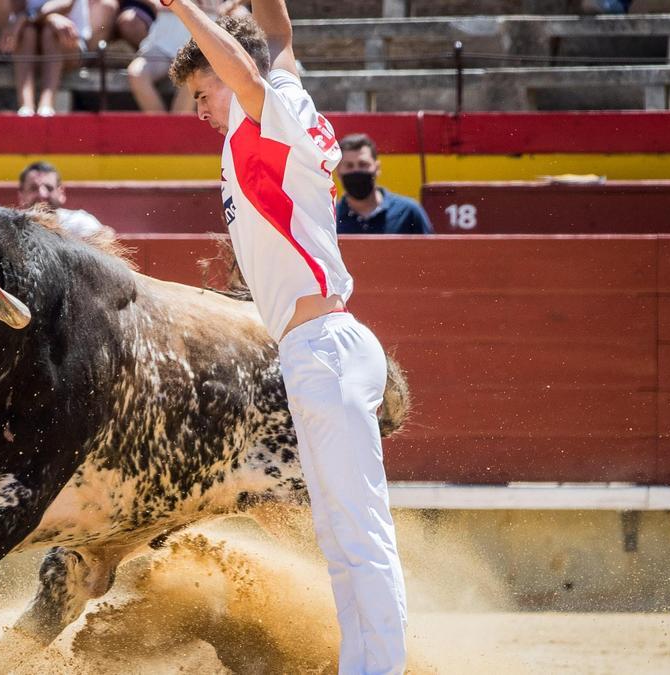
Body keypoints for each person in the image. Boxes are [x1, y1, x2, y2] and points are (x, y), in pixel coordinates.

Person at [166, 2, 407, 673]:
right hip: (319, 344)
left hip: (321, 347)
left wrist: (184, 8)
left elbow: (248, 64)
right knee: (342, 534)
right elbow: (277, 36)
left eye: (199, 92)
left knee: (358, 534)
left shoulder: (259, 112)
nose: (198, 109)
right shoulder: (288, 98)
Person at [0, 0, 91, 116]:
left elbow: (65, 4)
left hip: (71, 47)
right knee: (27, 32)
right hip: (32, 43)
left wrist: (27, 17)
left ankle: (46, 106)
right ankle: (26, 107)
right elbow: (18, 13)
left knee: (50, 32)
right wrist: (48, 17)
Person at [335, 134, 433, 235]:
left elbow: (432, 250)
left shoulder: (408, 212)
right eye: (349, 166)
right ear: (338, 171)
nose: (356, 171)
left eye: (363, 164)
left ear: (377, 168)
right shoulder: (330, 219)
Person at [17, 160, 114, 239]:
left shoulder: (78, 223)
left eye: (49, 188)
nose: (42, 194)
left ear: (61, 193)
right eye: (33, 188)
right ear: (21, 195)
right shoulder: (13, 227)